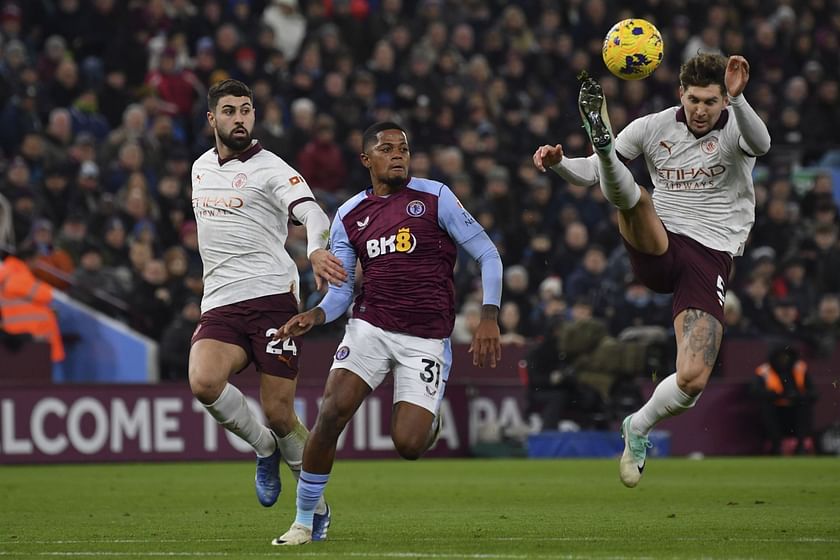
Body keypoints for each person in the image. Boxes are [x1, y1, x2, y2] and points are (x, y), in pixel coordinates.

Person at [533, 53, 771, 487]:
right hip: (659, 240)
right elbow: (586, 177)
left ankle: (637, 427)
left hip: (710, 255)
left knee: (693, 380)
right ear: (681, 94)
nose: (701, 110)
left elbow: (763, 145)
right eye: (695, 99)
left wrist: (739, 100)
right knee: (637, 198)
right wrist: (560, 163)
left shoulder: (738, 123)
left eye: (711, 102)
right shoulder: (653, 125)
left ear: (724, 100)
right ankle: (606, 149)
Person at [271, 122, 503, 545]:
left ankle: (427, 421)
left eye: (404, 148)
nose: (398, 154)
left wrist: (489, 314)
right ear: (367, 160)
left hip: (427, 338)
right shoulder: (349, 215)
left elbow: (488, 254)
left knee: (409, 444)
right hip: (370, 328)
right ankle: (306, 519)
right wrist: (316, 317)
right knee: (330, 413)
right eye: (386, 148)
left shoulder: (436, 197)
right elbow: (340, 293)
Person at [187, 79, 346, 531]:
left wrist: (315, 249)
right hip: (219, 302)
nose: (240, 118)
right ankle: (264, 449)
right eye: (231, 111)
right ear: (212, 119)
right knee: (202, 382)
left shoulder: (272, 168)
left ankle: (315, 509)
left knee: (279, 412)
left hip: (272, 301)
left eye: (247, 110)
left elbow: (313, 211)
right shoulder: (199, 168)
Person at [751, 343, 817, 454]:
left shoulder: (800, 368)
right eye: (780, 357)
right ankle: (776, 446)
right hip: (775, 408)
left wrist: (798, 396)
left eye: (786, 357)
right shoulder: (764, 370)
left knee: (805, 407)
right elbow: (754, 391)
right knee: (766, 408)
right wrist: (773, 395)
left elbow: (813, 393)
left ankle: (801, 446)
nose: (783, 360)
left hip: (796, 407)